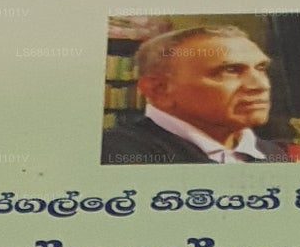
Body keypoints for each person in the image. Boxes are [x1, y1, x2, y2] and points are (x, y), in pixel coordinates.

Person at [101, 24, 289, 164]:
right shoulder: (115, 154)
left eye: (261, 68)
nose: (261, 85)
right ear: (159, 90)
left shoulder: (272, 153)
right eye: (230, 70)